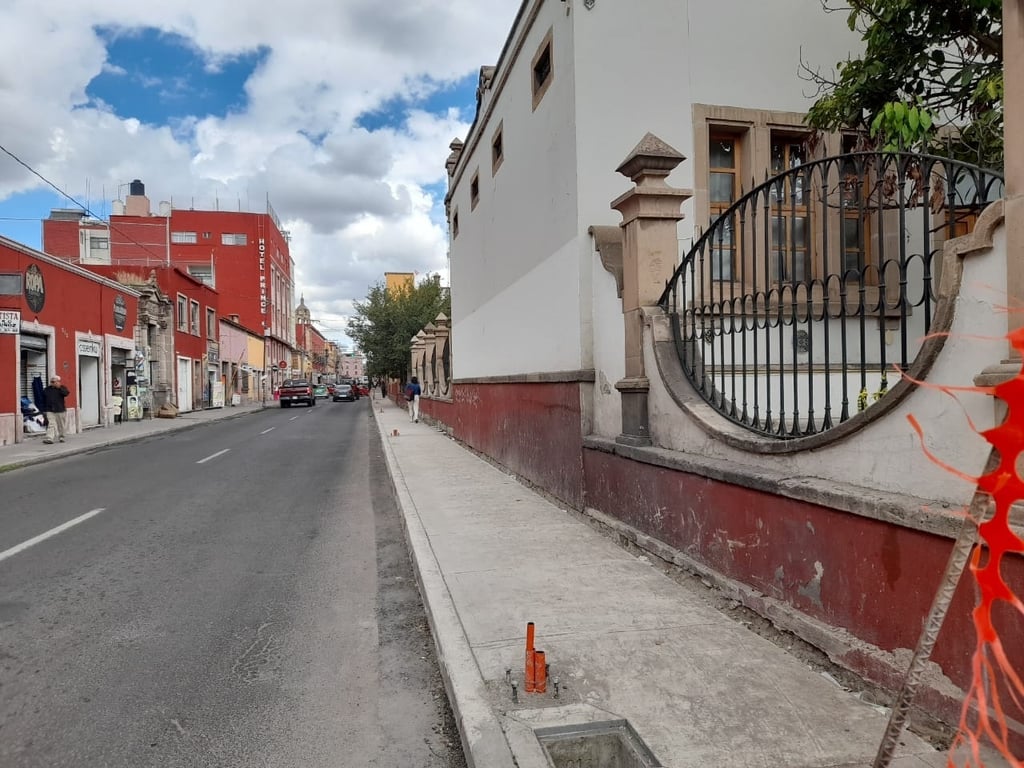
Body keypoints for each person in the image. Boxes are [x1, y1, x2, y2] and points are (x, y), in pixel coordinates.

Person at [42, 375, 70, 444]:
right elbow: (43, 399)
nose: (52, 383)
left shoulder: (62, 388)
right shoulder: (47, 389)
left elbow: (66, 393)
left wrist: (59, 387)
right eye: (51, 381)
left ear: (58, 381)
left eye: (53, 381)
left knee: (61, 425)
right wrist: (44, 410)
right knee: (51, 424)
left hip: (60, 409)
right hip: (50, 410)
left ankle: (62, 436)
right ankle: (49, 438)